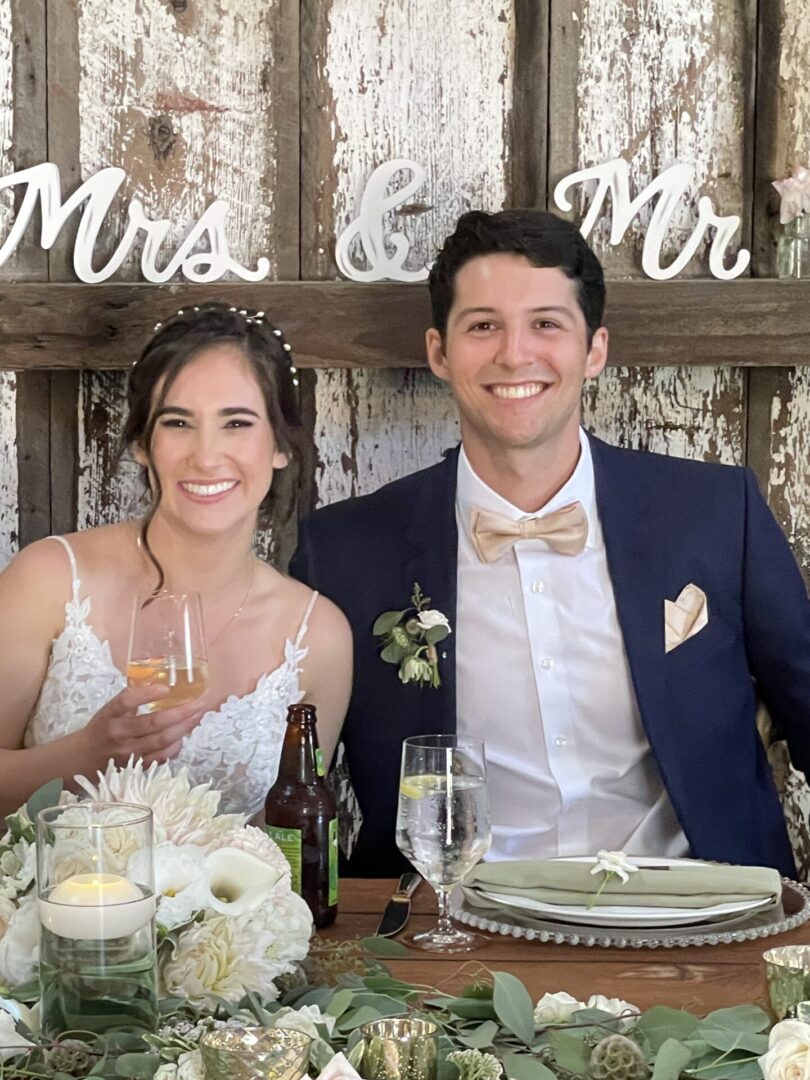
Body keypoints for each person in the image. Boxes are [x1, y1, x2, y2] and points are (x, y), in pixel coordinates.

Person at [291, 209, 810, 877]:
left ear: (593, 349)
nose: (514, 354)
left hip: (703, 922)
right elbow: (289, 781)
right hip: (451, 938)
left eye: (546, 324)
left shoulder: (716, 513)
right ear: (438, 352)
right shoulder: (343, 551)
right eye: (483, 326)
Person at [0, 303, 352, 819]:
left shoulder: (318, 636)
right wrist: (85, 755)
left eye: (236, 422)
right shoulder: (50, 579)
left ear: (281, 446)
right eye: (178, 423)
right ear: (143, 444)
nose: (206, 456)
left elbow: (294, 845)